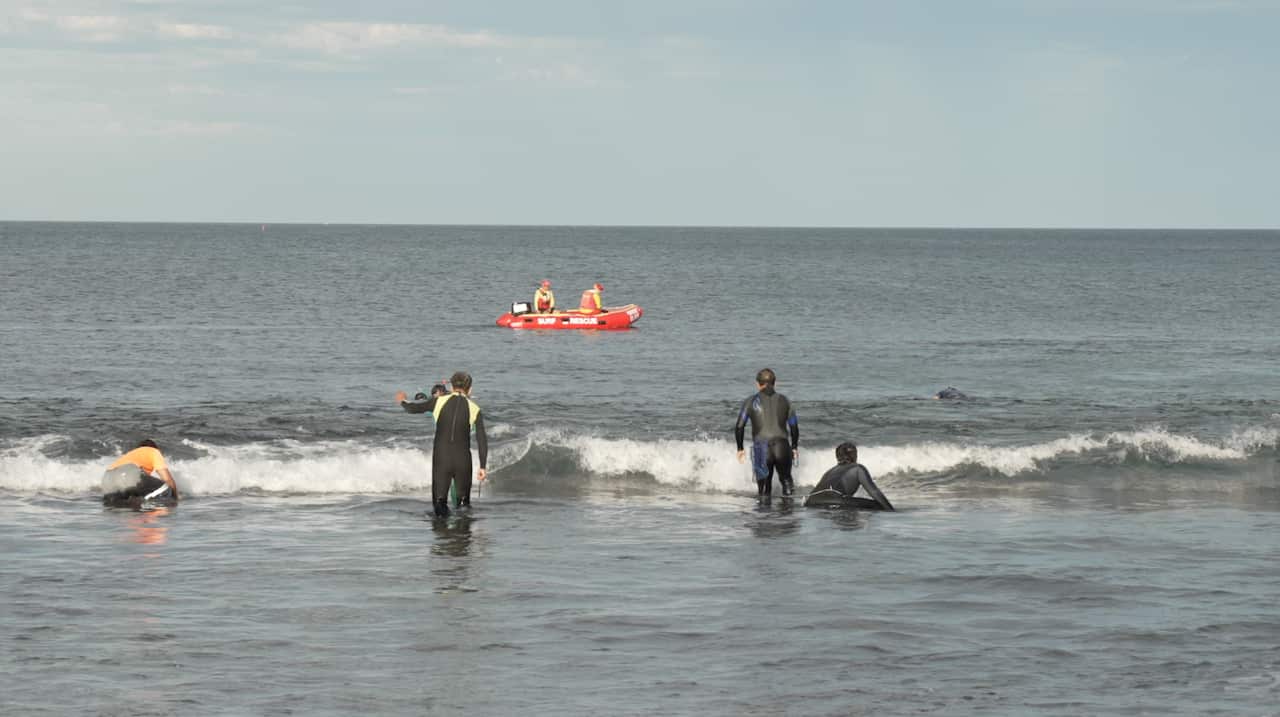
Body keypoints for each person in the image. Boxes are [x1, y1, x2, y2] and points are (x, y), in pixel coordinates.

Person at [397, 371, 488, 517]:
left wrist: (402, 400)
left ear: (451, 387)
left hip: (442, 459)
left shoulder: (438, 401)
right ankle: (462, 537)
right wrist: (483, 466)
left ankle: (443, 536)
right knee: (464, 505)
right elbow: (482, 439)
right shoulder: (475, 409)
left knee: (439, 504)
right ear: (470, 389)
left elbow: (413, 409)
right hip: (463, 460)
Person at [735, 368, 799, 498]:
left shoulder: (750, 401)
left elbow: (739, 427)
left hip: (762, 447)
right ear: (775, 383)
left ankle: (765, 517)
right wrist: (794, 447)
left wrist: (740, 448)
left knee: (764, 488)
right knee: (786, 481)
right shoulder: (785, 401)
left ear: (758, 384)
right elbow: (794, 427)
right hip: (782, 446)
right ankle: (788, 515)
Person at [804, 442, 894, 510]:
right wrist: (891, 511)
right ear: (854, 455)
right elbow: (875, 493)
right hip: (833, 501)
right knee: (877, 504)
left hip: (810, 502)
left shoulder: (830, 471)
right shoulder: (858, 468)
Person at [102, 439, 180, 507]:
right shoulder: (153, 451)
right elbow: (167, 479)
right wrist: (176, 498)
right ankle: (157, 520)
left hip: (107, 479)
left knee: (128, 504)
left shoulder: (131, 455)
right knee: (166, 489)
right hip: (127, 473)